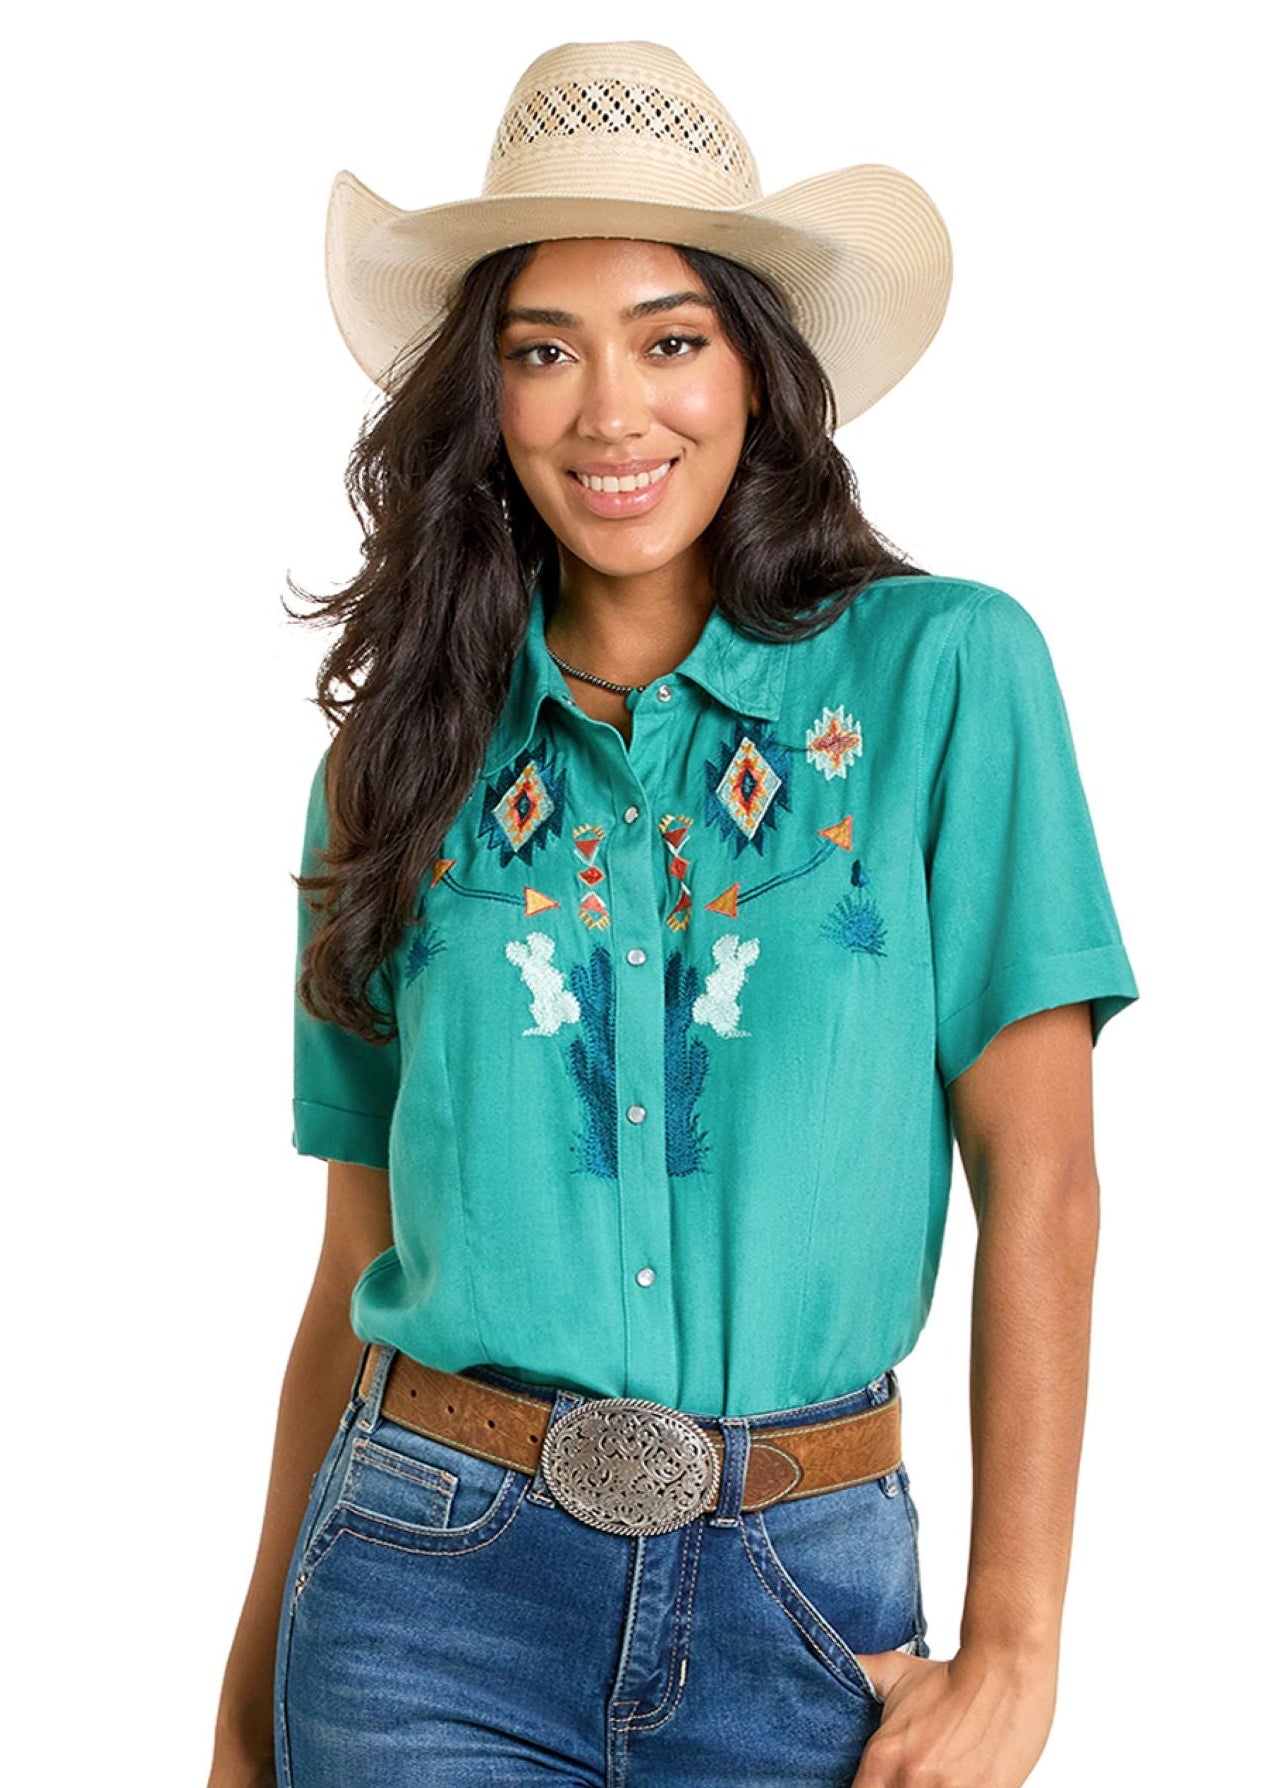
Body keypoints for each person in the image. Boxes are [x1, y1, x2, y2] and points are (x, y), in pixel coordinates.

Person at [207, 40, 1140, 1788]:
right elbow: (355, 1265)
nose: (607, 412)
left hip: (807, 1607)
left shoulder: (944, 678)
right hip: (418, 1597)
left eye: (669, 339)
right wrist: (243, 1706)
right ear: (485, 397)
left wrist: (1017, 1648)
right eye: (539, 350)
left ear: (758, 372)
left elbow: (1046, 1187)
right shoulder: (393, 767)